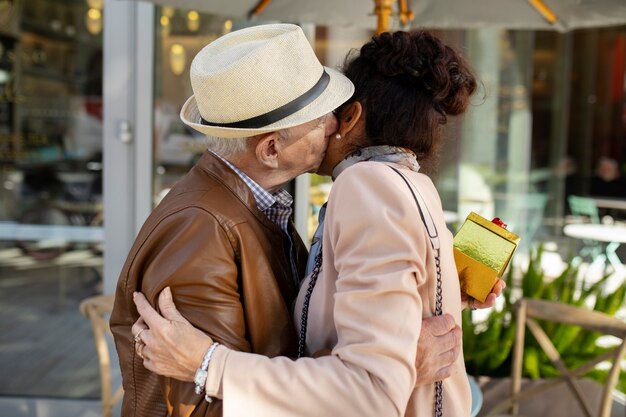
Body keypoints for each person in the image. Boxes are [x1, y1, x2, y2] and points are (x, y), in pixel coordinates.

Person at [111, 24, 476, 417]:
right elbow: (201, 408)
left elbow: (299, 326)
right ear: (271, 149)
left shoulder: (261, 208)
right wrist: (401, 365)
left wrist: (419, 290)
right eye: (321, 117)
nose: (338, 124)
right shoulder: (201, 228)